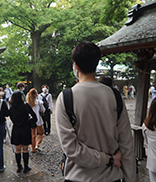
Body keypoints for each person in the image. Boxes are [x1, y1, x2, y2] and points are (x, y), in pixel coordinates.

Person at [55, 41, 136, 182]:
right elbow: (126, 145)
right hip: (111, 178)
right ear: (96, 64)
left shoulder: (66, 97)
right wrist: (128, 176)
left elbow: (71, 149)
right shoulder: (115, 96)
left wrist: (108, 160)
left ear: (76, 66)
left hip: (78, 177)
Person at [9, 90, 37, 173]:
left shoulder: (12, 107)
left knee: (17, 150)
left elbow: (11, 117)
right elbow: (34, 116)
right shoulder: (25, 106)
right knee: (25, 149)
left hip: (16, 129)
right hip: (25, 128)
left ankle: (18, 167)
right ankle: (26, 167)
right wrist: (29, 121)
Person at [26, 88, 45, 152]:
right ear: (35, 95)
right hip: (38, 120)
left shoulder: (27, 103)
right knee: (40, 133)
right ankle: (37, 144)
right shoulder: (39, 102)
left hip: (31, 120)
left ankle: (32, 148)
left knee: (32, 135)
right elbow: (43, 110)